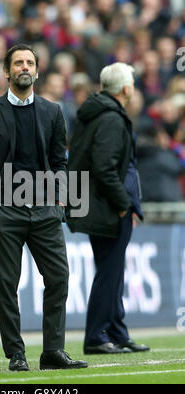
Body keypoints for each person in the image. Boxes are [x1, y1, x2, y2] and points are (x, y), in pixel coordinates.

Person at [0, 44, 88, 372]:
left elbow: (60, 160)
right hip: (5, 210)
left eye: (30, 62)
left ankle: (53, 351)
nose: (25, 67)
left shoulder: (52, 111)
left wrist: (61, 198)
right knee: (7, 283)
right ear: (7, 72)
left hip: (45, 210)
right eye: (18, 63)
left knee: (59, 277)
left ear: (37, 71)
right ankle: (16, 353)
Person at [67, 63, 150, 355]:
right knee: (109, 272)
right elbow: (106, 167)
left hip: (95, 204)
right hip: (107, 207)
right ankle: (96, 336)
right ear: (126, 88)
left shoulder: (96, 114)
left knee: (111, 270)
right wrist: (123, 204)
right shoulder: (112, 118)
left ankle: (116, 330)